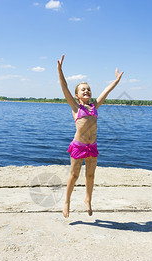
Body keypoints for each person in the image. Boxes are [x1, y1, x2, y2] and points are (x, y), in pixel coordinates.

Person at [57, 54, 124, 218]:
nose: (86, 90)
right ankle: (67, 202)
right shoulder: (75, 107)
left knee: (91, 175)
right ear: (77, 96)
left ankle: (88, 199)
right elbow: (64, 87)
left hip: (92, 146)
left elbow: (106, 92)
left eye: (88, 89)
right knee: (74, 175)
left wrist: (116, 81)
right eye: (83, 89)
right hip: (79, 146)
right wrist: (59, 69)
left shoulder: (95, 106)